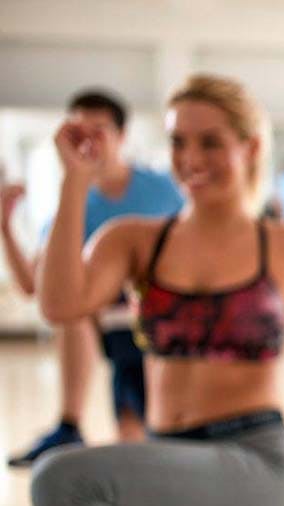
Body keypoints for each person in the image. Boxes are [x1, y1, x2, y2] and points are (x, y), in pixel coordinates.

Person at [30, 74, 284, 506]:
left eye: (210, 142)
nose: (190, 158)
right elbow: (61, 305)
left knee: (63, 481)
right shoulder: (134, 239)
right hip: (170, 459)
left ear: (250, 148)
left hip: (253, 465)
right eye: (178, 142)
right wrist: (74, 182)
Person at [5, 90, 184, 467]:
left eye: (99, 130)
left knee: (146, 435)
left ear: (122, 136)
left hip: (163, 317)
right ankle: (70, 424)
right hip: (109, 324)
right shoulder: (74, 202)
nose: (89, 141)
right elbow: (34, 287)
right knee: (71, 311)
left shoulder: (164, 189)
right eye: (78, 132)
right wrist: (4, 227)